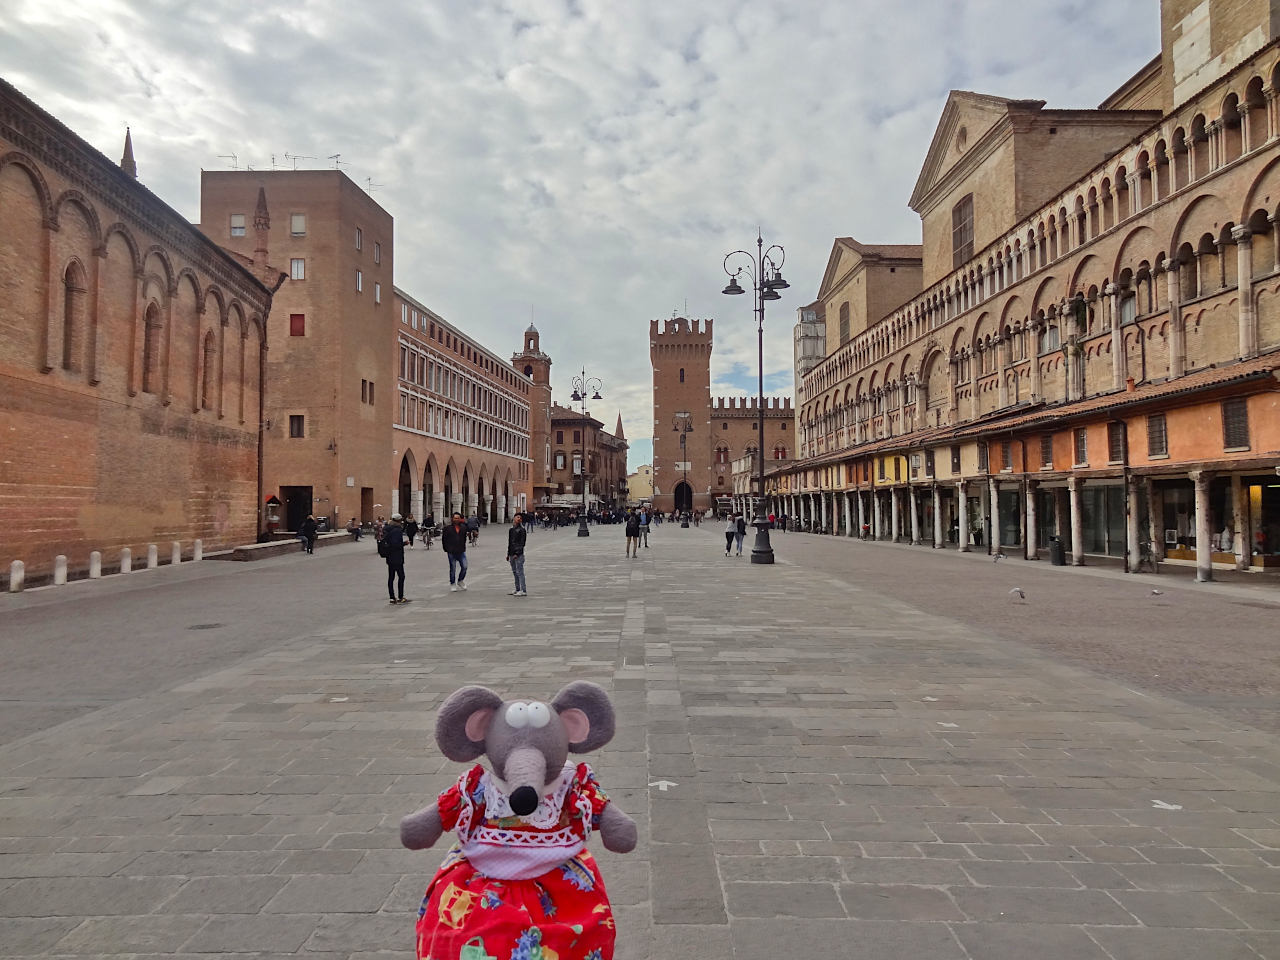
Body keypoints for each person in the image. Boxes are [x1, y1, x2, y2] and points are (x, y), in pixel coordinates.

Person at [382, 513, 409, 604]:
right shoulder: (397, 530)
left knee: (391, 577)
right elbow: (396, 544)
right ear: (398, 521)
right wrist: (404, 543)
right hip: (397, 556)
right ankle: (400, 596)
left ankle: (392, 597)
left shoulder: (387, 528)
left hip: (389, 556)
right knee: (401, 576)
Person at [441, 512, 470, 591]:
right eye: (455, 518)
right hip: (451, 551)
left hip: (461, 551)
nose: (456, 520)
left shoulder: (463, 527)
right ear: (452, 519)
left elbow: (464, 538)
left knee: (464, 566)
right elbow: (444, 539)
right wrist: (446, 549)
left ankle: (460, 580)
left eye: (458, 518)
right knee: (453, 568)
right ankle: (452, 583)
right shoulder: (447, 528)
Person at [506, 513, 528, 596]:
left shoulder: (522, 530)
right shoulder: (511, 530)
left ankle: (523, 590)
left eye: (520, 517)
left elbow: (522, 543)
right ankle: (517, 588)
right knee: (515, 572)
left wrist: (517, 553)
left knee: (520, 572)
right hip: (511, 553)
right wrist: (508, 554)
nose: (519, 518)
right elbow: (510, 543)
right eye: (517, 517)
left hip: (518, 554)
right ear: (514, 518)